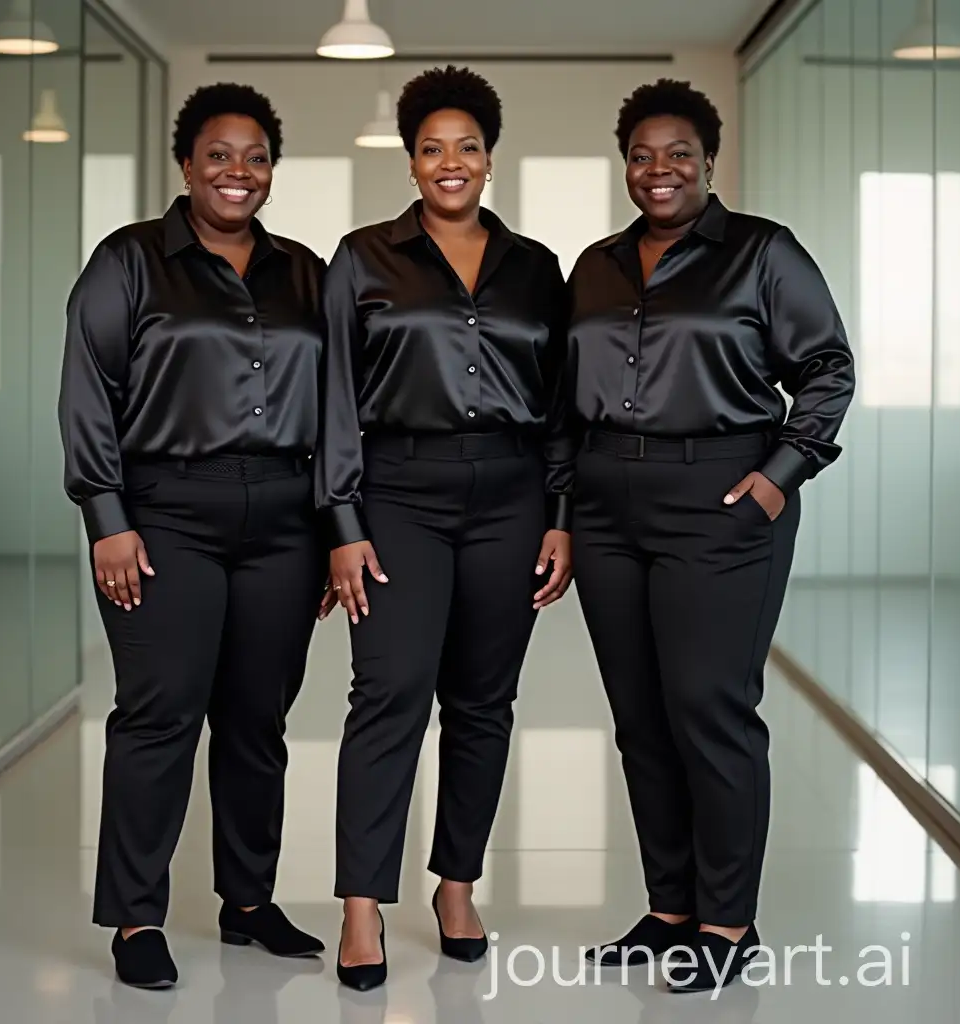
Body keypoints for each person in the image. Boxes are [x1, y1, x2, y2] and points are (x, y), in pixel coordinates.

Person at [567, 79, 855, 993]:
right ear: (625, 164)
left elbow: (827, 368)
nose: (660, 170)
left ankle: (728, 925)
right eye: (643, 155)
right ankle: (671, 911)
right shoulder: (598, 265)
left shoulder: (763, 252)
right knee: (641, 722)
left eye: (679, 153)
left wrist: (780, 477)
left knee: (709, 710)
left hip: (721, 494)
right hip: (608, 500)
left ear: (708, 161)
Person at [58, 83, 332, 989]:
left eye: (255, 157)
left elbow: (339, 409)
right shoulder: (129, 261)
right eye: (219, 154)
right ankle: (138, 918)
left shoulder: (305, 272)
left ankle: (248, 902)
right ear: (186, 164)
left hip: (285, 524)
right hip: (165, 515)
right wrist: (108, 519)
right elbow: (90, 390)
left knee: (259, 722)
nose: (238, 172)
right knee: (158, 717)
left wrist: (337, 529)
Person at [316, 65, 574, 991]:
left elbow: (559, 408)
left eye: (467, 146)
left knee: (482, 702)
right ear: (411, 159)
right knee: (387, 695)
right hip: (398, 492)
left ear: (490, 159)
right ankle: (359, 905)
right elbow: (335, 400)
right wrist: (342, 523)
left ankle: (454, 884)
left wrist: (560, 515)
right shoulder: (362, 257)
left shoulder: (537, 268)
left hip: (510, 497)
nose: (450, 162)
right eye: (432, 147)